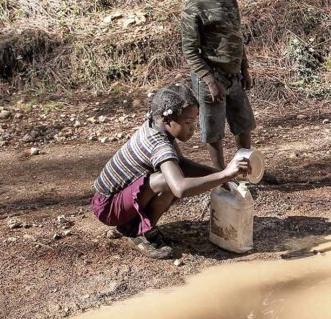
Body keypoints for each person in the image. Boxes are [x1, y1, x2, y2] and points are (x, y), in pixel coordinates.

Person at [91, 83, 250, 259]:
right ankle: (137, 232)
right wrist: (224, 175)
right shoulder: (159, 145)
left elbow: (181, 163)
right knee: (168, 181)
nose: (192, 129)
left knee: (172, 174)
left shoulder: (155, 125)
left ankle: (131, 223)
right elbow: (180, 188)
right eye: (188, 122)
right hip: (108, 208)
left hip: (111, 199)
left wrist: (217, 174)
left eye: (195, 122)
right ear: (167, 121)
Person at [180, 0, 255, 170]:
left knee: (243, 124)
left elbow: (237, 37)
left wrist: (244, 69)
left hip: (234, 76)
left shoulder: (229, 0)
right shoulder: (193, 9)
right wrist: (210, 81)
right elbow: (190, 51)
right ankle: (220, 175)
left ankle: (246, 170)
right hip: (211, 79)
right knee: (214, 130)